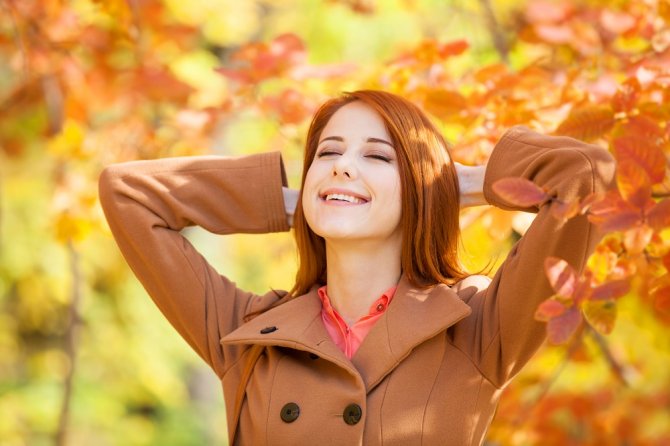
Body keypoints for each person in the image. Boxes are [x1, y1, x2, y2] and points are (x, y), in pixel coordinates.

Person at [98, 90, 616, 445]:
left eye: (378, 157)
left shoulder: (477, 329)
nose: (342, 164)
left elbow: (586, 174)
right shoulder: (248, 336)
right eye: (328, 152)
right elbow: (127, 193)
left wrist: (456, 185)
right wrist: (294, 202)